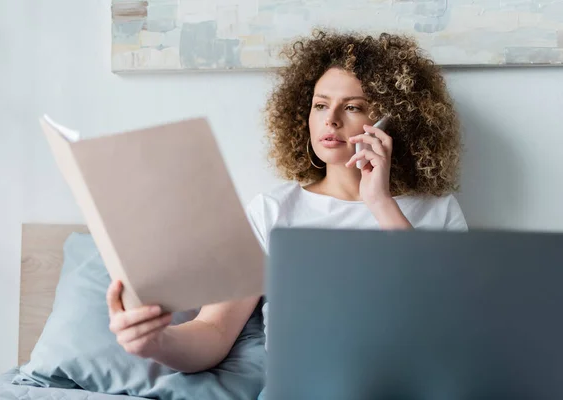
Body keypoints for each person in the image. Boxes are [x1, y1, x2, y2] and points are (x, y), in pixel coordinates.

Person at [105, 29, 467, 396]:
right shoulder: (274, 210)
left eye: (353, 106)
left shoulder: (437, 212)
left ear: (392, 121)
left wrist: (381, 203)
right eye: (320, 105)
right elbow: (214, 331)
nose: (332, 120)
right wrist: (154, 342)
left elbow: (448, 328)